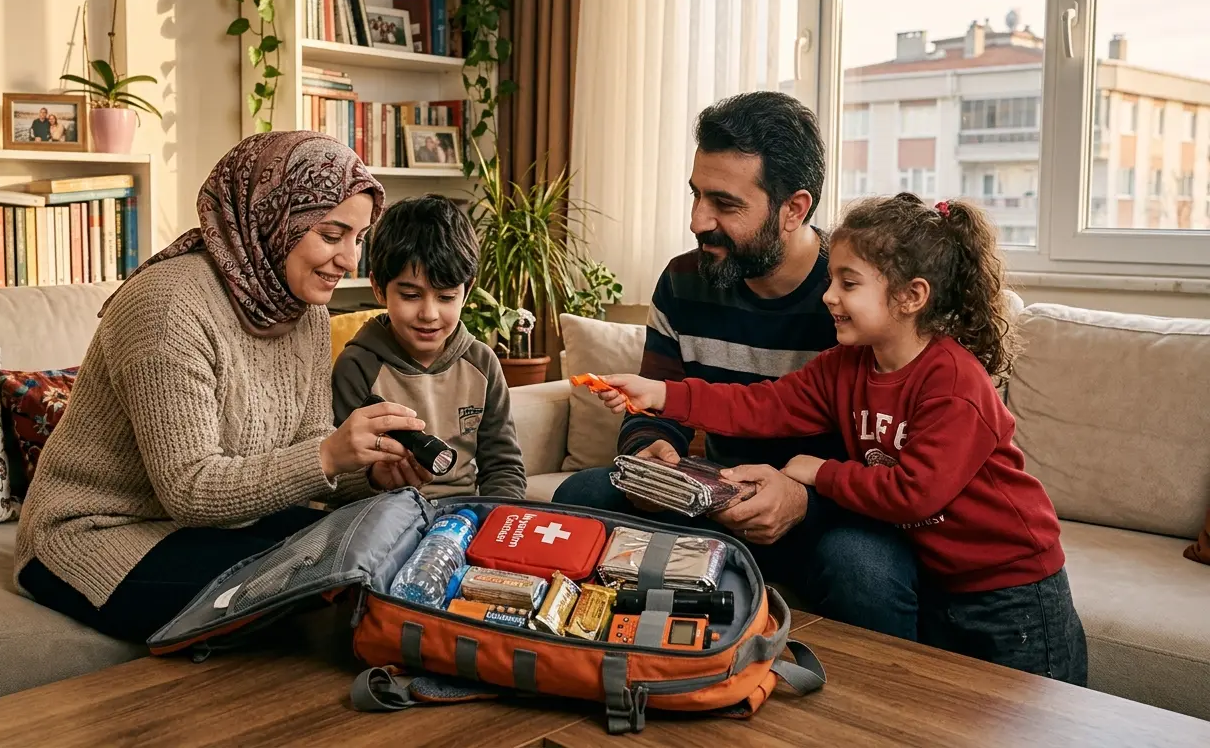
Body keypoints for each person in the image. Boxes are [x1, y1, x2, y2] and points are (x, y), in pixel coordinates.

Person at [588, 193, 1087, 684]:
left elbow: (915, 493)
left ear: (912, 297)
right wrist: (661, 393)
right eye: (832, 280)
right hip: (943, 580)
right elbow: (760, 405)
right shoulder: (846, 366)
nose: (829, 296)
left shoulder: (954, 384)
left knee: (1034, 727)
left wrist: (820, 472)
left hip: (1015, 589)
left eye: (848, 283)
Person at [14, 131, 429, 643]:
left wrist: (369, 473)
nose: (349, 259)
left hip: (211, 525)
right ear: (274, 219)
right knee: (325, 591)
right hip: (98, 534)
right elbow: (189, 489)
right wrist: (327, 456)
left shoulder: (303, 313)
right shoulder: (167, 307)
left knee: (391, 544)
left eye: (358, 237)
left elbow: (301, 447)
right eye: (331, 234)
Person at [551, 91, 921, 641]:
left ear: (794, 209)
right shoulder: (683, 281)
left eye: (725, 204)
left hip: (828, 511)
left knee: (863, 568)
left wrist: (804, 499)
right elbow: (660, 401)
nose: (699, 221)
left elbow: (886, 455)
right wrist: (651, 450)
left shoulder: (855, 300)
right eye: (697, 195)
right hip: (710, 499)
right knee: (580, 496)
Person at [332, 195, 527, 499]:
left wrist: (495, 519)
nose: (429, 314)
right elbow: (340, 481)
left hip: (465, 516)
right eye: (411, 295)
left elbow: (503, 466)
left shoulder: (482, 362)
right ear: (378, 288)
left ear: (467, 290)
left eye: (446, 297)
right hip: (383, 515)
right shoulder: (356, 366)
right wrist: (375, 479)